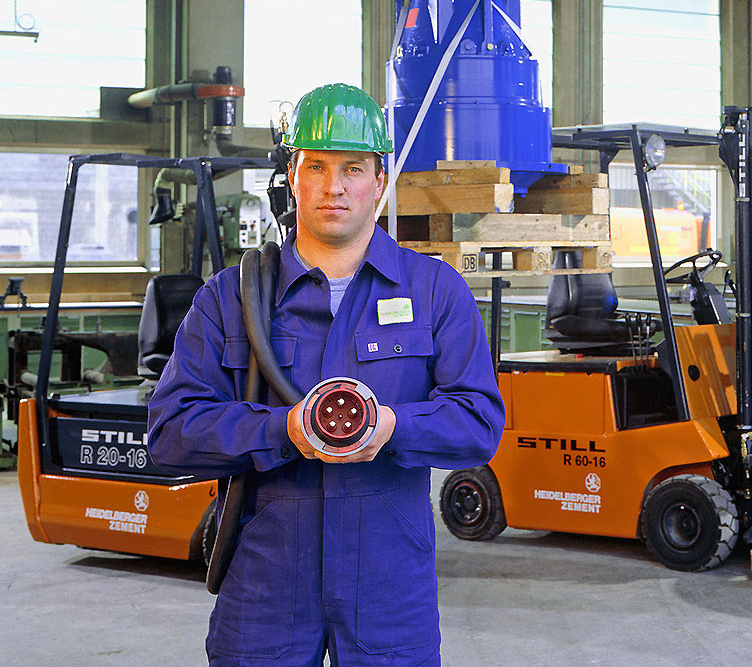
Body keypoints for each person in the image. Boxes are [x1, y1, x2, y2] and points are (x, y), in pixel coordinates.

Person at [148, 83, 505, 667]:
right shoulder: (229, 299)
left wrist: (391, 427)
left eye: (353, 168)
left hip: (389, 583)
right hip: (265, 582)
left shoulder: (434, 291)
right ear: (293, 176)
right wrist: (283, 429)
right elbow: (170, 432)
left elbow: (479, 424)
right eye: (316, 166)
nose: (333, 186)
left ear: (380, 182)